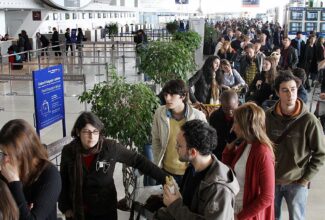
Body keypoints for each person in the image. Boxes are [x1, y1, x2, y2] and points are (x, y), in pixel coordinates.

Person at [59, 112, 167, 220]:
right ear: (78, 132)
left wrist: (165, 179)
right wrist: (65, 207)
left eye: (95, 131)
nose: (92, 136)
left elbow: (138, 160)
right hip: (77, 212)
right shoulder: (69, 151)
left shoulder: (110, 148)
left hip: (105, 210)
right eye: (87, 132)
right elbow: (63, 181)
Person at [265, 72, 325, 220]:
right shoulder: (267, 117)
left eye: (293, 89)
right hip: (272, 180)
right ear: (277, 93)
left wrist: (305, 179)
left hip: (297, 182)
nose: (290, 94)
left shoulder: (309, 120)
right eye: (285, 90)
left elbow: (320, 153)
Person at [155, 119, 239, 220]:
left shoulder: (219, 190)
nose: (176, 148)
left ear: (193, 152)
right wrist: (177, 197)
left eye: (179, 145)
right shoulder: (193, 168)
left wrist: (174, 205)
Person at [0, 119, 62, 220]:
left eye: (9, 154)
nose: (5, 160)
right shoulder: (7, 169)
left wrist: (14, 183)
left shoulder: (50, 175)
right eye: (3, 153)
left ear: (25, 152)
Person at [222, 102, 275, 220]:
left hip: (248, 214)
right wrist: (229, 148)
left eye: (236, 122)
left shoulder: (262, 152)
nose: (233, 127)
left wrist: (240, 217)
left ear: (246, 125)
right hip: (236, 207)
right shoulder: (245, 144)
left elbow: (267, 196)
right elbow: (227, 172)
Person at [152, 79, 206, 186]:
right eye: (166, 94)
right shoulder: (160, 114)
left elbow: (204, 145)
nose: (167, 98)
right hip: (166, 171)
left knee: (187, 202)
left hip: (190, 172)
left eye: (172, 95)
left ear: (183, 96)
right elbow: (156, 140)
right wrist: (159, 164)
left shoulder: (198, 116)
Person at [209, 90, 238, 160]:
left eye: (232, 109)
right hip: (219, 154)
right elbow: (212, 139)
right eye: (226, 109)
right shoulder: (214, 117)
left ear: (238, 103)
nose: (230, 112)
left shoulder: (243, 117)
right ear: (221, 104)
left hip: (237, 154)